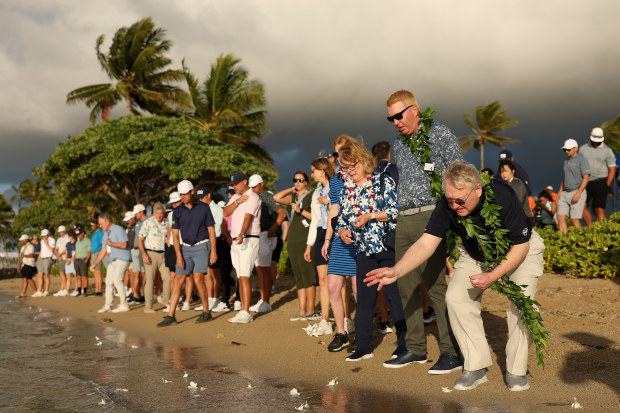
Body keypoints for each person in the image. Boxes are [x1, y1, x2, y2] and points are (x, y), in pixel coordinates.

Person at [365, 160, 545, 391]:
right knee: (455, 298)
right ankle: (475, 366)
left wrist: (493, 276)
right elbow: (426, 243)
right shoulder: (447, 205)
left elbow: (521, 246)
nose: (454, 205)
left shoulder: (502, 195)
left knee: (523, 306)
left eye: (460, 200)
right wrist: (396, 270)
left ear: (477, 190)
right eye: (449, 199)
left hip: (519, 250)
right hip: (475, 254)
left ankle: (516, 370)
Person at [384, 89, 462, 373]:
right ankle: (415, 349)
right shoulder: (398, 142)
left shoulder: (439, 134)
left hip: (432, 215)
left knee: (436, 285)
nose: (395, 122)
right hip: (403, 217)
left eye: (399, 115)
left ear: (414, 110)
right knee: (404, 284)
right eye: (390, 118)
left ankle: (450, 352)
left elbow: (457, 171)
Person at [335, 140, 407, 363]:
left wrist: (370, 216)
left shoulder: (381, 180)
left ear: (363, 160)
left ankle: (405, 345)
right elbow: (341, 219)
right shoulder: (347, 188)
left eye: (351, 166)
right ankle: (364, 347)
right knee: (364, 300)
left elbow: (395, 212)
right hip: (363, 250)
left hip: (386, 247)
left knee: (395, 298)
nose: (348, 171)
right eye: (344, 167)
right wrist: (341, 231)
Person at [158, 180, 216, 326]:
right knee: (178, 279)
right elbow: (175, 236)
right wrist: (178, 255)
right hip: (185, 248)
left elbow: (211, 230)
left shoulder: (204, 208)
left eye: (185, 194)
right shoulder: (177, 211)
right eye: (181, 194)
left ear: (192, 192)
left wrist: (213, 251)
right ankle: (171, 315)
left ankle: (206, 311)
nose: (182, 197)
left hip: (202, 246)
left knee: (198, 279)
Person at [320, 135, 358, 352]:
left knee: (357, 290)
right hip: (338, 238)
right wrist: (328, 239)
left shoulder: (363, 176)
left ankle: (361, 333)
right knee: (333, 286)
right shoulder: (335, 181)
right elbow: (333, 211)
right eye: (336, 153)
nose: (339, 157)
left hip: (358, 237)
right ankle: (341, 332)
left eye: (343, 151)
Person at [274, 171, 319, 320]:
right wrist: (290, 189)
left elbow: (315, 217)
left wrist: (300, 210)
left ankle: (311, 310)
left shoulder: (313, 195)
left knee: (308, 274)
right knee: (299, 275)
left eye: (300, 180)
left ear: (306, 182)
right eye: (295, 180)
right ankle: (302, 311)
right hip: (293, 240)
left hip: (306, 239)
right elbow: (276, 198)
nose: (297, 182)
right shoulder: (293, 197)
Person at [223, 172, 261, 323]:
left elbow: (248, 218)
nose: (234, 186)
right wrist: (237, 202)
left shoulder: (254, 197)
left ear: (245, 182)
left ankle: (246, 312)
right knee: (240, 276)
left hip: (248, 238)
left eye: (237, 183)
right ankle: (243, 311)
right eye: (233, 184)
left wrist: (242, 234)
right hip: (236, 240)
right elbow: (225, 212)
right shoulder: (235, 197)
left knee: (245, 276)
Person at [304, 158, 335, 335]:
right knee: (322, 280)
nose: (312, 174)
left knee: (338, 281)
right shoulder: (316, 193)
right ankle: (325, 320)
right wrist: (309, 246)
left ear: (322, 170)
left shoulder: (336, 185)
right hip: (321, 233)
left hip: (336, 232)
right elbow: (315, 221)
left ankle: (346, 319)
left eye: (314, 170)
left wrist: (328, 201)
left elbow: (340, 208)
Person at [249, 174, 287, 314]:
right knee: (261, 269)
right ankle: (263, 300)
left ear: (261, 184)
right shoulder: (257, 197)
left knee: (263, 270)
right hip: (261, 235)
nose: (253, 189)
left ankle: (265, 301)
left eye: (255, 186)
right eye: (251, 187)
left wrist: (272, 229)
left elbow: (282, 214)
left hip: (265, 235)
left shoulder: (266, 196)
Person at [194, 186, 227, 312]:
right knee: (207, 273)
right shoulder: (203, 209)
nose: (200, 200)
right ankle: (209, 298)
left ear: (209, 195)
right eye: (199, 198)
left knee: (214, 273)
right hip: (205, 242)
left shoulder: (216, 209)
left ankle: (215, 298)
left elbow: (217, 228)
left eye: (202, 197)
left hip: (216, 241)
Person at [91, 213, 132, 313]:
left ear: (107, 222)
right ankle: (107, 305)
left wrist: (111, 243)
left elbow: (124, 245)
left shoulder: (118, 229)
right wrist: (95, 263)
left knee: (117, 280)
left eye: (101, 224)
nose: (100, 226)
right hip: (113, 260)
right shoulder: (106, 233)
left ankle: (124, 304)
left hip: (123, 258)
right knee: (108, 282)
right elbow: (103, 250)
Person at [138, 202, 171, 314]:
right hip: (151, 254)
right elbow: (140, 240)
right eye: (157, 213)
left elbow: (170, 236)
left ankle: (165, 300)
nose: (159, 216)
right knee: (150, 280)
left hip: (164, 254)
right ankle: (148, 307)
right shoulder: (148, 222)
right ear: (153, 213)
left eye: (161, 213)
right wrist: (144, 254)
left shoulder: (167, 222)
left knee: (167, 278)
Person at [579, 127, 616, 224]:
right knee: (581, 206)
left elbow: (612, 169)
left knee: (599, 208)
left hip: (601, 181)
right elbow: (579, 166)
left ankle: (601, 230)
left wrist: (607, 185)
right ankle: (591, 228)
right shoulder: (583, 149)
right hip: (586, 182)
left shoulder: (608, 150)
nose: (596, 142)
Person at [557, 139, 590, 233]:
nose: (566, 152)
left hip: (577, 191)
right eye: (565, 150)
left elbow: (586, 177)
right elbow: (565, 178)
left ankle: (578, 242)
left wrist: (578, 193)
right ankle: (564, 241)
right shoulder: (566, 162)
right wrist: (559, 193)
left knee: (574, 219)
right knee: (560, 217)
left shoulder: (582, 160)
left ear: (576, 148)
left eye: (568, 149)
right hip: (565, 193)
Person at [129, 204, 147, 303]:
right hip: (135, 250)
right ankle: (135, 294)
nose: (135, 215)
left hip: (142, 249)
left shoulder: (147, 221)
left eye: (136, 213)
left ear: (141, 212)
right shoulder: (138, 223)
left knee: (144, 274)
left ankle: (144, 295)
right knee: (136, 273)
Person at [33, 229, 55, 297]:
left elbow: (52, 249)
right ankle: (39, 291)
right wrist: (38, 260)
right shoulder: (42, 241)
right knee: (39, 275)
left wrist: (47, 243)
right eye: (42, 236)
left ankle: (46, 291)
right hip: (41, 259)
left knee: (46, 275)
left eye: (44, 236)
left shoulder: (52, 240)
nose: (43, 237)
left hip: (48, 258)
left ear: (48, 235)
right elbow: (41, 250)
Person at [73, 224, 91, 296]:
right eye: (77, 235)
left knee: (84, 276)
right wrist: (74, 258)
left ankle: (85, 291)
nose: (78, 236)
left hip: (83, 260)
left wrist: (87, 259)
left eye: (79, 234)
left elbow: (89, 251)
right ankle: (79, 291)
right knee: (78, 276)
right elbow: (76, 251)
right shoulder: (77, 241)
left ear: (83, 233)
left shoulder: (87, 241)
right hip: (77, 260)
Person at [53, 225, 70, 296]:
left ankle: (66, 289)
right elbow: (56, 249)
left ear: (64, 231)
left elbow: (67, 248)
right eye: (59, 232)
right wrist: (57, 255)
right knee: (61, 273)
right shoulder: (59, 239)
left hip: (65, 257)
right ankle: (62, 289)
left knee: (66, 274)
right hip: (60, 258)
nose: (60, 233)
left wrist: (59, 254)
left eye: (61, 232)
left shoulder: (68, 238)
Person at [89, 218, 104, 295]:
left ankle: (99, 290)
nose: (92, 227)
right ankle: (96, 289)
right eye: (91, 225)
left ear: (97, 225)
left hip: (98, 252)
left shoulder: (99, 232)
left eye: (93, 225)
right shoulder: (94, 233)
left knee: (98, 272)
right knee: (95, 272)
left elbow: (102, 243)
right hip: (93, 253)